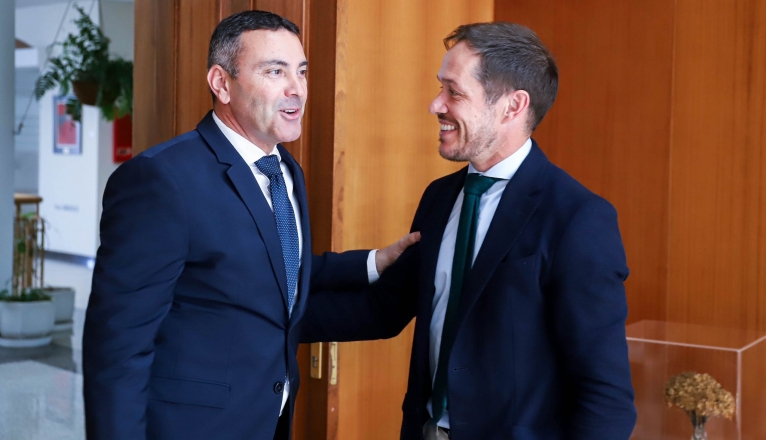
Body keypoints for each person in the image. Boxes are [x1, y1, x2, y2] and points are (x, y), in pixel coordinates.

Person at [82, 10, 417, 440]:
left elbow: (273, 273)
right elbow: (117, 346)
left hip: (268, 422)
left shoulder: (286, 170)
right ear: (221, 83)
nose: (296, 89)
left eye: (301, 71)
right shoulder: (160, 179)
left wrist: (372, 263)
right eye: (275, 71)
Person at [301, 22, 637, 440]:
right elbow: (382, 309)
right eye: (440, 88)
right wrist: (256, 316)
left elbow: (605, 395)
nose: (435, 105)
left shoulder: (578, 218)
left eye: (454, 92)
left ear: (512, 106)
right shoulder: (439, 197)